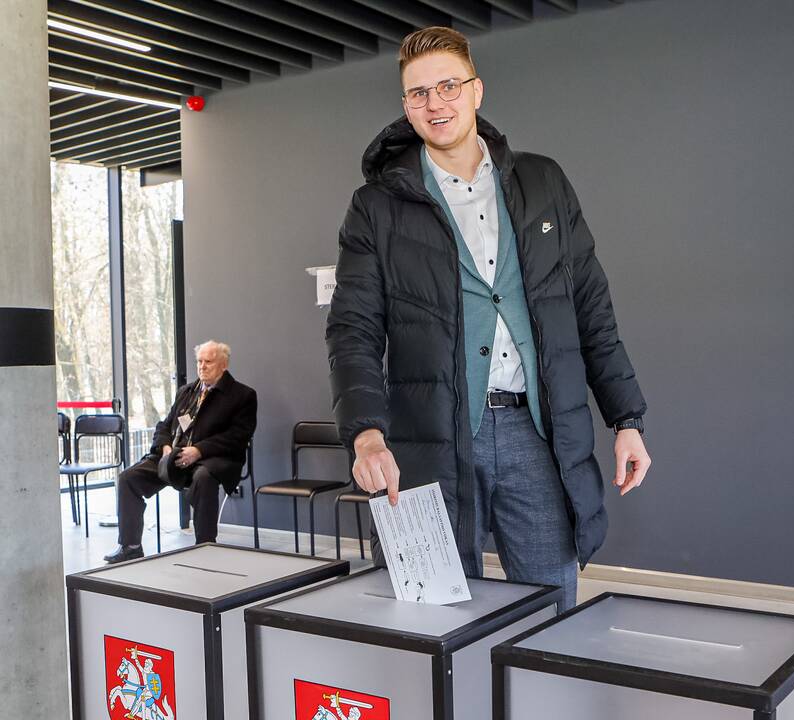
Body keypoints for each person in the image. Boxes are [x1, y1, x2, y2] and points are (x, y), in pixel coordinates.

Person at [326, 27, 650, 611]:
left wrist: (626, 416)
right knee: (432, 612)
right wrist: (365, 433)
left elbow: (590, 305)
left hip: (536, 433)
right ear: (406, 107)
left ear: (477, 91)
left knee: (551, 608)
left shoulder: (543, 181)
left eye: (448, 85)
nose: (435, 103)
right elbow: (353, 328)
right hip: (428, 440)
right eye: (418, 93)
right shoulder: (374, 206)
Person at [103, 340, 257, 563]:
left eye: (209, 362)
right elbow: (164, 426)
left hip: (213, 458)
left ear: (223, 365)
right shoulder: (187, 392)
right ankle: (130, 546)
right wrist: (165, 448)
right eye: (199, 361)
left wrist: (199, 450)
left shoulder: (242, 395)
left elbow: (238, 437)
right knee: (128, 477)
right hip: (174, 456)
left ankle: (205, 546)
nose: (202, 366)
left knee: (204, 477)